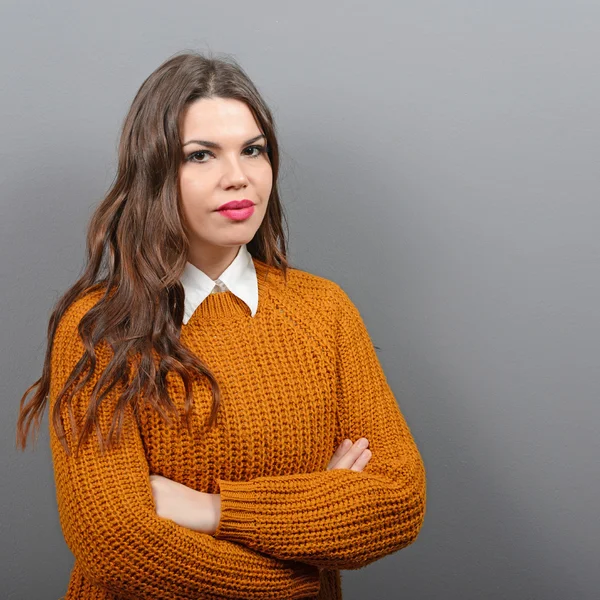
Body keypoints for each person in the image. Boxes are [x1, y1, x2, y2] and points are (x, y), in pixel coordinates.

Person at [15, 50, 426, 599]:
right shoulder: (99, 327)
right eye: (202, 155)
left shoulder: (324, 311)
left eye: (252, 150)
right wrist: (309, 549)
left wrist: (211, 510)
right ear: (156, 170)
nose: (239, 178)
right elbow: (116, 542)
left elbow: (398, 499)